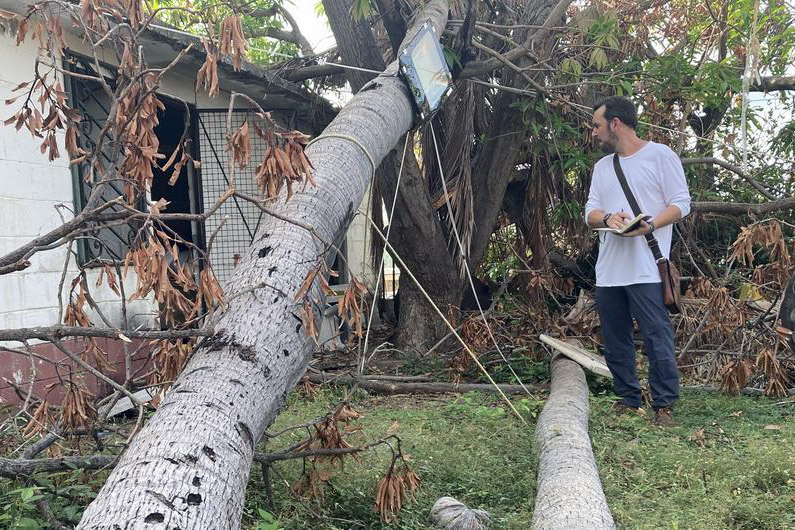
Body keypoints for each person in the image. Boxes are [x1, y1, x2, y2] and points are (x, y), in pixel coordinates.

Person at [584, 96, 691, 427]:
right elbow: (590, 213)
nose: (593, 133)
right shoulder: (603, 168)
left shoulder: (660, 156)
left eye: (596, 126)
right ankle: (628, 399)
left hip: (646, 266)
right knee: (616, 338)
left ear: (616, 123)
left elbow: (681, 204)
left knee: (657, 334)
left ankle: (664, 406)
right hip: (609, 270)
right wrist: (609, 218)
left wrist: (650, 225)